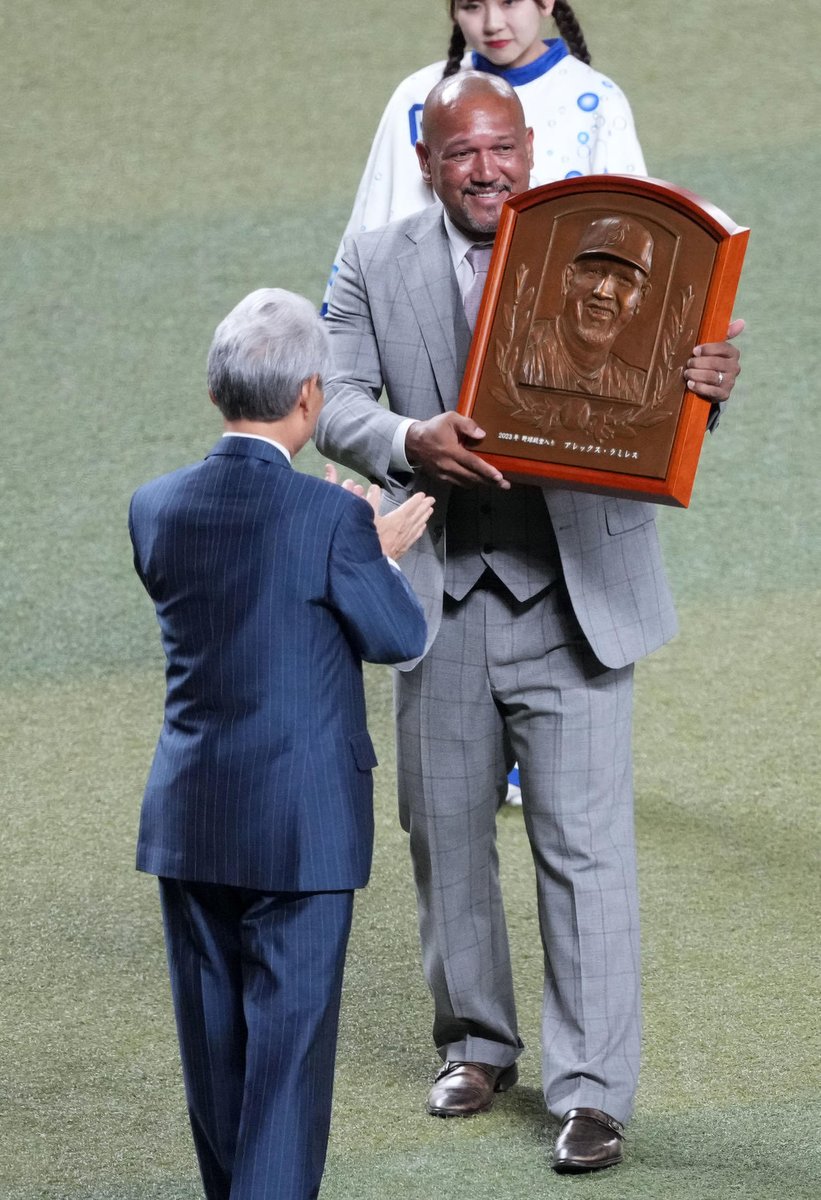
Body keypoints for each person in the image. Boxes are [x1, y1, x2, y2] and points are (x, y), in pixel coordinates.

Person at [315, 72, 743, 1174]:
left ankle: (591, 1091)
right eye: (460, 153)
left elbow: (665, 381)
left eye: (500, 147)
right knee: (443, 834)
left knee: (584, 850)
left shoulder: (605, 251)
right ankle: (474, 1044)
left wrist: (706, 380)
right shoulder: (373, 261)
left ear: (527, 147)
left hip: (573, 604)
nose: (484, 169)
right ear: (427, 161)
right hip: (441, 601)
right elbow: (340, 402)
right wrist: (413, 442)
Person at [128, 288, 432, 1200]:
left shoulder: (155, 507)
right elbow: (400, 639)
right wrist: (372, 558)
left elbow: (236, 604)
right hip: (300, 830)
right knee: (286, 1075)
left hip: (190, 819)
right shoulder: (329, 520)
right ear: (309, 396)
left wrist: (341, 555)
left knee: (216, 1064)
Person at [321, 0, 645, 313]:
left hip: (546, 321)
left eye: (509, 2)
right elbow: (375, 226)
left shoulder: (600, 101)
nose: (492, 23)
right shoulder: (416, 97)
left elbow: (630, 239)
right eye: (472, 5)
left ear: (546, 2)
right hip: (425, 320)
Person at [519, 214, 654, 400]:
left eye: (624, 280)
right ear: (568, 279)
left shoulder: (637, 388)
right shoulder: (519, 356)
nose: (603, 291)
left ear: (641, 297)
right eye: (594, 272)